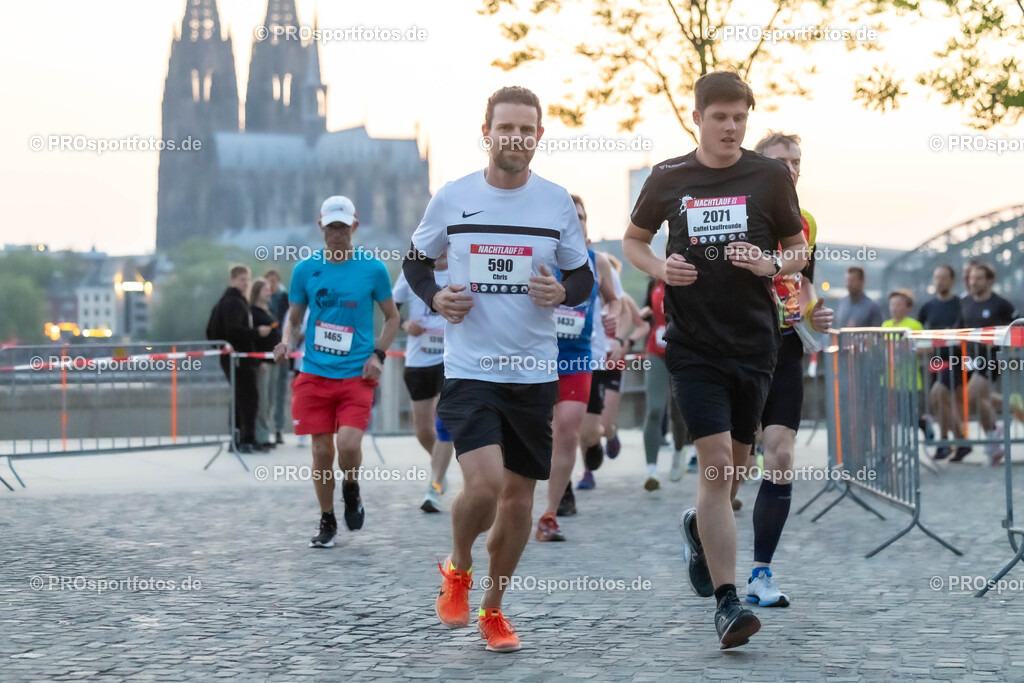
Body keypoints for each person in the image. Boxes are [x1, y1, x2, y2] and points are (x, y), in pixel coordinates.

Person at [403, 86, 593, 653]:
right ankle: (458, 566)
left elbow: (580, 279)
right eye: (505, 127)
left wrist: (560, 290)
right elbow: (414, 263)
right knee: (483, 488)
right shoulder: (453, 197)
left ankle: (493, 609)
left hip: (533, 373)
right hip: (470, 368)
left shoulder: (556, 202)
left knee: (517, 502)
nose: (516, 137)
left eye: (526, 129)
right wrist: (437, 298)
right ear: (486, 133)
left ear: (538, 136)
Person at [623, 71, 808, 649]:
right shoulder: (669, 177)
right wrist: (659, 269)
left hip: (756, 345)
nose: (731, 127)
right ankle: (728, 605)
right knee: (715, 465)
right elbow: (633, 239)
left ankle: (697, 528)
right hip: (693, 346)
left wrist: (772, 266)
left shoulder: (770, 175)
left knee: (734, 475)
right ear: (697, 117)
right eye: (720, 117)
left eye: (740, 118)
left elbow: (800, 249)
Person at [274, 195, 400, 548]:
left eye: (343, 227)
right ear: (321, 227)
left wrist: (378, 354)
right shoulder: (304, 270)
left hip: (357, 373)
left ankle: (351, 486)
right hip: (315, 371)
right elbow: (295, 318)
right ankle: (327, 519)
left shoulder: (372, 269)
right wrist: (286, 341)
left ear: (354, 227)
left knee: (347, 444)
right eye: (331, 227)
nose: (337, 233)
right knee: (320, 452)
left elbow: (393, 317)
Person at [741, 130, 834, 608]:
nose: (791, 169)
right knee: (728, 470)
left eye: (796, 161)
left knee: (778, 455)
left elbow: (806, 284)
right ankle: (699, 526)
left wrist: (817, 312)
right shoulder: (741, 216)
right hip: (737, 350)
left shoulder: (806, 222)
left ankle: (761, 572)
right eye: (781, 161)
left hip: (786, 349)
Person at [536, 194, 618, 541]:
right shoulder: (539, 255)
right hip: (534, 357)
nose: (578, 222)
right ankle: (517, 500)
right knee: (536, 434)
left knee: (567, 429)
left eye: (582, 217)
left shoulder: (597, 261)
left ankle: (549, 514)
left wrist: (612, 321)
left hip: (577, 357)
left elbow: (614, 299)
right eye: (572, 217)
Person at [392, 251, 455, 512]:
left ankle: (435, 486)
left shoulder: (461, 269)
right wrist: (406, 324)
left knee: (444, 423)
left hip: (451, 359)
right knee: (422, 430)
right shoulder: (413, 273)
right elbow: (391, 312)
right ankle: (440, 466)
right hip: (418, 360)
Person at [961, 262, 1016, 466]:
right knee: (978, 399)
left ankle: (994, 434)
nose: (974, 282)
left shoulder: (1001, 304)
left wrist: (1003, 342)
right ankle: (994, 437)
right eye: (972, 278)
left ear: (990, 280)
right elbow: (958, 329)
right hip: (971, 358)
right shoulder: (966, 302)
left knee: (974, 394)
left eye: (979, 278)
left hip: (993, 358)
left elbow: (1017, 326)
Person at [212, 265, 270, 454]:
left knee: (242, 398)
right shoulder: (232, 302)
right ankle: (245, 439)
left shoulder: (232, 301)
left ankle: (241, 439)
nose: (246, 283)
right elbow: (233, 331)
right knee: (248, 398)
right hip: (237, 359)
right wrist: (256, 332)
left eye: (247, 279)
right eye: (242, 279)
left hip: (238, 358)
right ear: (233, 280)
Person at [640, 277, 692, 490]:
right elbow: (645, 310)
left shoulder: (689, 278)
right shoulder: (654, 281)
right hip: (656, 352)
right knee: (654, 409)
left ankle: (679, 452)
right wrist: (643, 315)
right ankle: (651, 470)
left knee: (679, 411)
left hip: (683, 351)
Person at [919, 264, 969, 461]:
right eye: (937, 277)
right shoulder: (927, 307)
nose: (939, 281)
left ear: (952, 280)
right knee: (939, 402)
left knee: (939, 394)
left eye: (943, 277)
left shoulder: (961, 305)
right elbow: (921, 334)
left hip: (956, 360)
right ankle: (956, 442)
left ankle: (948, 442)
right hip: (936, 360)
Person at [251, 277, 283, 450]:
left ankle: (266, 432)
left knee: (270, 400)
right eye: (265, 290)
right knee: (262, 400)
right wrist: (259, 361)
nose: (269, 293)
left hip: (273, 361)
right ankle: (261, 435)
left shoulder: (269, 310)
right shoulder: (254, 312)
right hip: (263, 362)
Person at [266, 269, 291, 445]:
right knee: (268, 391)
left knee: (280, 390)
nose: (271, 286)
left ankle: (278, 427)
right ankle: (265, 427)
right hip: (267, 350)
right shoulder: (264, 299)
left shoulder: (284, 298)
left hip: (281, 348)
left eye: (273, 282)